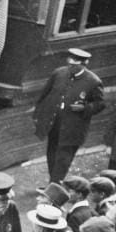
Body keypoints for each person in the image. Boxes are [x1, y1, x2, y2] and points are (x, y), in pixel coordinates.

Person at [32, 47, 105, 182]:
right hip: (55, 123)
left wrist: (85, 108)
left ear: (83, 64)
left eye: (74, 65)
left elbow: (100, 104)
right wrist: (38, 115)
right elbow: (44, 95)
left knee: (63, 158)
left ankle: (54, 184)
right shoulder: (58, 73)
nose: (70, 67)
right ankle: (54, 182)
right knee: (52, 154)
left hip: (73, 127)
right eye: (69, 64)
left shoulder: (93, 81)